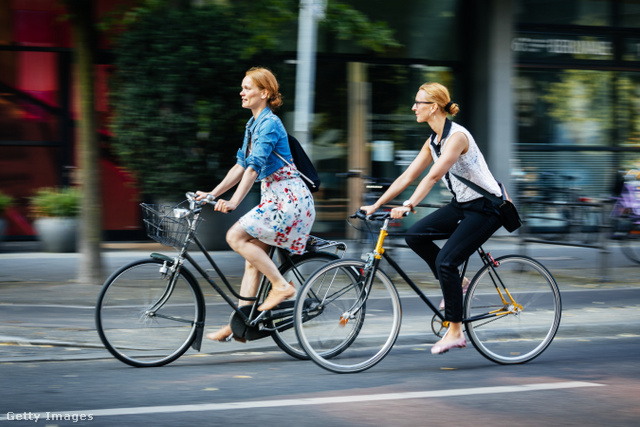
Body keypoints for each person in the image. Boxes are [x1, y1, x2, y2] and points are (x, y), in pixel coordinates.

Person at [360, 82, 503, 355]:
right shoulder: (433, 141)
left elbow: (434, 176)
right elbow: (407, 176)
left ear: (434, 107)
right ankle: (460, 284)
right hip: (462, 205)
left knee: (446, 261)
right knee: (415, 236)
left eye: (418, 103)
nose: (414, 107)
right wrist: (376, 204)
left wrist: (410, 204)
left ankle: (456, 332)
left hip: (487, 207)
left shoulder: (457, 137)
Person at [196, 67, 315, 342]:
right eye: (242, 87)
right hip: (276, 199)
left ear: (264, 93)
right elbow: (240, 165)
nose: (241, 92)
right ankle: (242, 323)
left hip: (289, 201)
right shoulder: (253, 125)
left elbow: (253, 168)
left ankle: (282, 287)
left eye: (247, 88)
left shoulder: (270, 123)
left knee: (234, 236)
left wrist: (234, 201)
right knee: (253, 261)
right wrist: (213, 194)